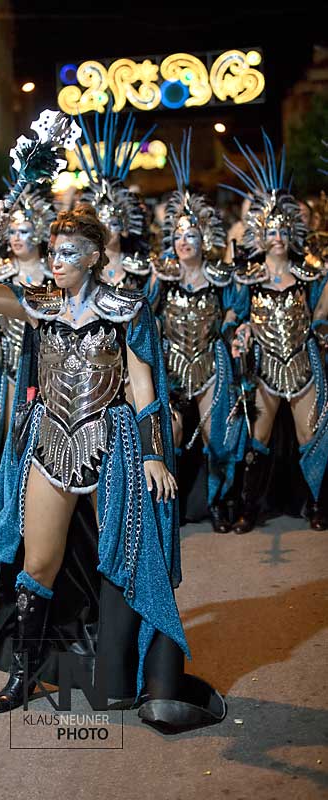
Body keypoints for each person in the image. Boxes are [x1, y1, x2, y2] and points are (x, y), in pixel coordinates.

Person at [0, 200, 226, 733]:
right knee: (38, 564)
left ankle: (121, 674)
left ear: (93, 256)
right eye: (52, 252)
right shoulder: (40, 303)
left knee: (123, 557)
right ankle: (24, 673)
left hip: (111, 444)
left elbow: (144, 384)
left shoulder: (127, 307)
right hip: (50, 443)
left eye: (67, 253)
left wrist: (153, 454)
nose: (55, 261)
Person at [224, 132, 328, 531]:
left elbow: (320, 314)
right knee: (257, 436)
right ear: (261, 235)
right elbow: (232, 315)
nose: (279, 238)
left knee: (310, 433)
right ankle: (249, 506)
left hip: (302, 362)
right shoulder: (248, 277)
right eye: (272, 232)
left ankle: (317, 504)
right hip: (264, 366)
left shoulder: (309, 274)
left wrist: (320, 329)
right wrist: (238, 332)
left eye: (284, 231)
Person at [151, 130, 248, 532]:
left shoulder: (220, 276)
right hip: (172, 368)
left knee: (218, 437)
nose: (184, 242)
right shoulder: (161, 276)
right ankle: (167, 510)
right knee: (169, 437)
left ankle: (221, 503)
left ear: (204, 239)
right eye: (178, 236)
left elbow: (234, 309)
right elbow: (146, 316)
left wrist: (235, 329)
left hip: (210, 364)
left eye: (191, 235)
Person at [0, 188, 55, 522]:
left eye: (25, 230)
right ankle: (9, 512)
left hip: (50, 373)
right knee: (14, 438)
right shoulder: (0, 275)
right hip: (11, 370)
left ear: (39, 232)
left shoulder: (55, 276)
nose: (18, 237)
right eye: (14, 231)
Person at [75, 105, 156, 294]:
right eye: (99, 224)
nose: (105, 230)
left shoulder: (144, 270)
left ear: (125, 226)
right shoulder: (80, 271)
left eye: (112, 223)